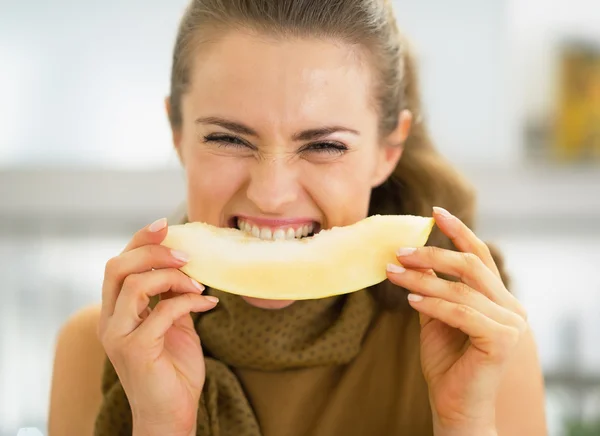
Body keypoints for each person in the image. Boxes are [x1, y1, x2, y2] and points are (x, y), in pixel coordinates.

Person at [48, 0, 547, 435]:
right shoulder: (95, 349)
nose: (271, 195)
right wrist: (161, 425)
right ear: (177, 133)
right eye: (227, 138)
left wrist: (465, 424)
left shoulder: (482, 350)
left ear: (387, 150)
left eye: (325, 145)